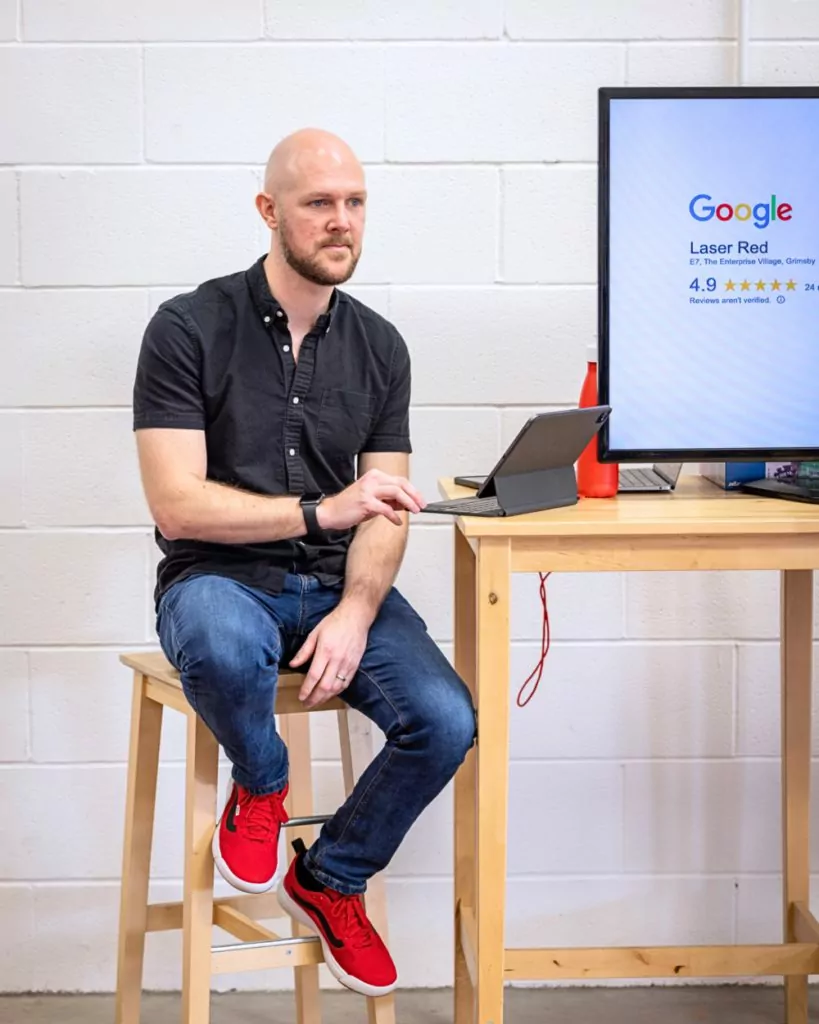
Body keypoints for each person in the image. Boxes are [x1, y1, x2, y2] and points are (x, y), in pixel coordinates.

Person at [132, 128, 476, 997]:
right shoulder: (185, 328)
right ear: (269, 211)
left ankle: (329, 876)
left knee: (444, 720)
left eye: (355, 203)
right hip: (220, 577)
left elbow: (387, 510)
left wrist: (357, 609)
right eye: (319, 203)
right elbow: (175, 503)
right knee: (213, 639)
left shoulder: (381, 347)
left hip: (334, 586)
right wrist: (322, 510)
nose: (341, 222)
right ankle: (263, 780)